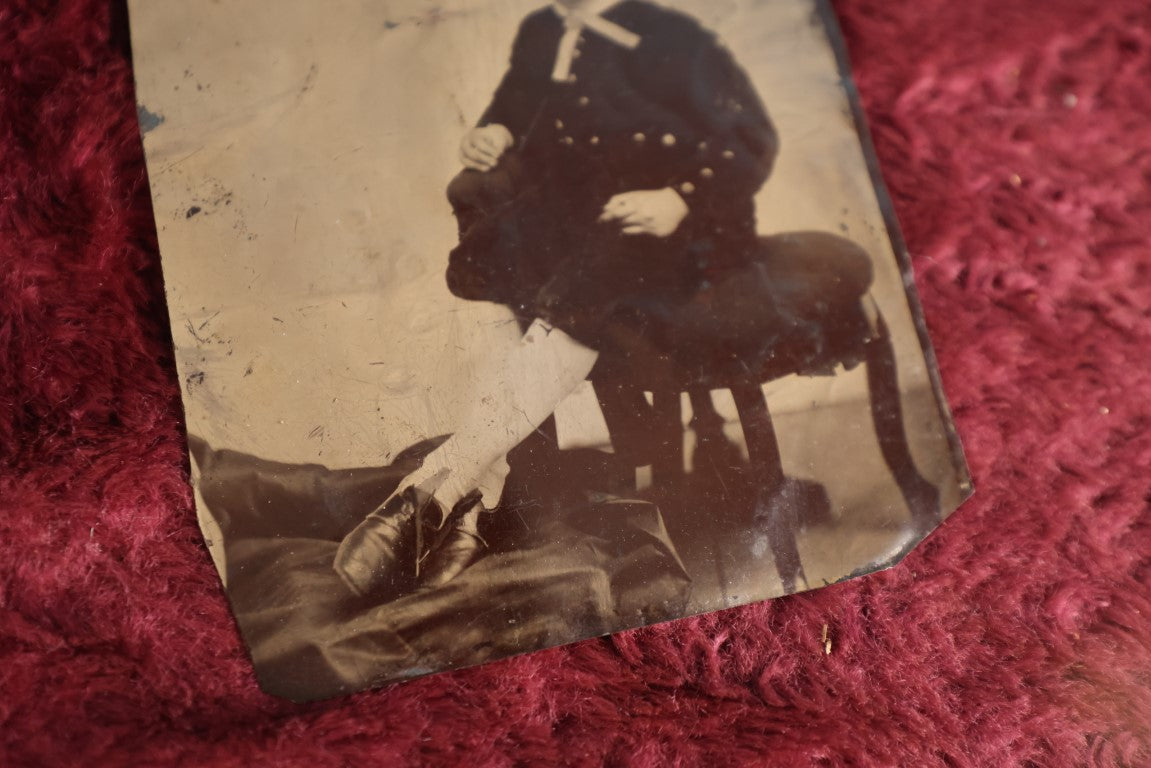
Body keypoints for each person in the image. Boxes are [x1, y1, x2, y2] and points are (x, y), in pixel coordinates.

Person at [333, 0, 781, 596]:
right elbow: (516, 102)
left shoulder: (669, 32)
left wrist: (680, 198)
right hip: (580, 217)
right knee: (488, 260)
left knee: (581, 289)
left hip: (675, 230)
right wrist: (492, 132)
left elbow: (751, 136)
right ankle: (484, 496)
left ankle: (433, 490)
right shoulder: (543, 28)